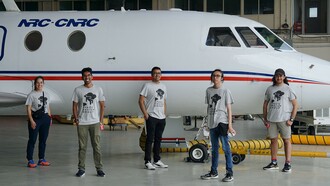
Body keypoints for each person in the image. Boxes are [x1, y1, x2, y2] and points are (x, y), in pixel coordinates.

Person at [201, 69, 235, 182]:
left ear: (222, 78)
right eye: (214, 76)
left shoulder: (226, 91)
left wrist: (230, 125)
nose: (216, 77)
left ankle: (229, 173)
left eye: (218, 76)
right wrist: (206, 122)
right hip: (212, 122)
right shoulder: (208, 90)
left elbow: (229, 109)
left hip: (222, 122)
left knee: (226, 148)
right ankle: (213, 172)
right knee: (214, 148)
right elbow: (209, 107)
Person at [72, 67, 106, 177]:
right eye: (85, 75)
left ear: (92, 76)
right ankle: (81, 169)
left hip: (95, 122)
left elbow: (102, 105)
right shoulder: (78, 90)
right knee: (82, 147)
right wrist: (76, 118)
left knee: (97, 146)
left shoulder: (98, 89)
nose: (87, 77)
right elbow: (74, 105)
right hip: (82, 123)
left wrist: (101, 121)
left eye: (89, 75)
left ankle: (99, 169)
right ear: (82, 77)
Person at [263, 68, 298, 172]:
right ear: (274, 77)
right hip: (272, 120)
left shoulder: (288, 89)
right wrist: (265, 119)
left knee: (286, 141)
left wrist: (291, 119)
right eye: (277, 76)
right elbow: (265, 105)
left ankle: (288, 163)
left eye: (281, 76)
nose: (279, 77)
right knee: (273, 141)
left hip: (284, 119)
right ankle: (274, 162)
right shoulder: (270, 89)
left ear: (284, 77)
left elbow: (295, 105)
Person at [139, 66, 168, 170]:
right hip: (151, 116)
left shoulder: (164, 86)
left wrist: (164, 114)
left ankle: (156, 160)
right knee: (149, 139)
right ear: (152, 75)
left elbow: (164, 101)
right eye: (155, 73)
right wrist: (146, 114)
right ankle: (147, 161)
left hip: (161, 117)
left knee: (158, 140)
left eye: (159, 73)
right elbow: (141, 100)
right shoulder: (147, 85)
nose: (157, 75)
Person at [25, 76, 52, 168]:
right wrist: (31, 121)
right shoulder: (31, 95)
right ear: (34, 84)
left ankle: (41, 159)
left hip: (45, 119)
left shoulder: (47, 94)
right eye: (37, 83)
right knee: (32, 140)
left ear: (43, 84)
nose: (39, 84)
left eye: (41, 83)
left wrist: (50, 118)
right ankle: (30, 160)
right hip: (35, 119)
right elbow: (28, 109)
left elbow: (48, 107)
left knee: (43, 140)